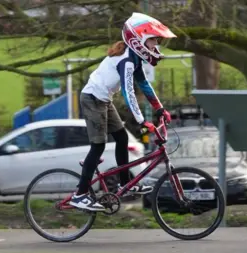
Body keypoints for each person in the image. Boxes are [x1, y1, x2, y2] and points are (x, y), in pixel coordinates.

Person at [69, 12, 175, 212]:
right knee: (98, 146)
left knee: (122, 139)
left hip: (103, 100)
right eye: (153, 40)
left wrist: (160, 108)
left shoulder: (134, 59)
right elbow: (128, 92)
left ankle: (125, 184)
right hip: (92, 99)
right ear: (138, 40)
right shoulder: (126, 61)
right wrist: (143, 121)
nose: (156, 45)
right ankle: (80, 195)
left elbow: (144, 84)